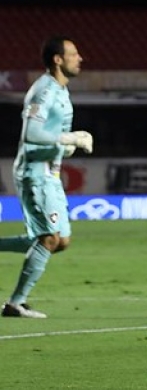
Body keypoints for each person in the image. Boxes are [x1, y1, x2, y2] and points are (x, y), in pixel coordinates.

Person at [0, 37, 93, 319]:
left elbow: (50, 137)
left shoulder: (60, 90)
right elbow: (31, 135)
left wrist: (66, 146)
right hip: (34, 173)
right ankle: (16, 303)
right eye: (74, 54)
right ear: (57, 59)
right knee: (49, 238)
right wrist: (70, 138)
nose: (80, 58)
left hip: (49, 173)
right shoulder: (43, 91)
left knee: (61, 240)